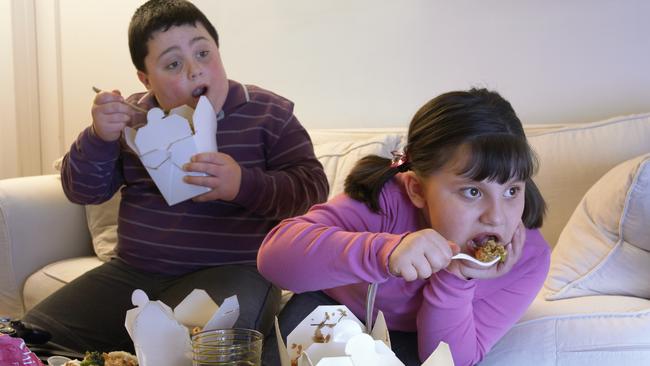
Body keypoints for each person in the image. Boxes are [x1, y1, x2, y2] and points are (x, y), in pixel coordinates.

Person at [23, 0, 328, 355]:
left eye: (203, 53)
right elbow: (83, 190)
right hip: (133, 273)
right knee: (25, 339)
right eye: (173, 64)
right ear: (146, 78)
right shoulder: (135, 120)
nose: (195, 70)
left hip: (234, 271)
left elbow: (312, 190)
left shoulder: (268, 114)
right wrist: (98, 136)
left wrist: (242, 184)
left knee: (207, 350)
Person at [258, 88, 551, 366]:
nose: (497, 217)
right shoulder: (385, 201)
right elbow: (274, 260)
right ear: (417, 190)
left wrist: (456, 280)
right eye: (472, 192)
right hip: (330, 312)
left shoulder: (528, 258)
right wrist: (383, 251)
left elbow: (450, 360)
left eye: (512, 191)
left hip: (416, 338)